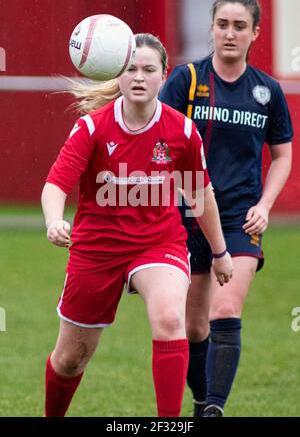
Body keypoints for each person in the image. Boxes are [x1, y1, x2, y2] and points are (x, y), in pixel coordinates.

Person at [41, 33, 233, 417]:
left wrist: (221, 252)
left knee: (168, 318)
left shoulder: (181, 131)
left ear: (164, 75)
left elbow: (200, 195)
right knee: (70, 359)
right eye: (131, 69)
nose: (140, 77)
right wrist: (53, 221)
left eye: (149, 69)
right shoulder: (92, 128)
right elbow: (55, 184)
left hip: (158, 242)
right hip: (96, 248)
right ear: (118, 75)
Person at [159, 0, 293, 417]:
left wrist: (266, 205)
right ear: (212, 28)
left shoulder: (267, 92)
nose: (229, 33)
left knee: (226, 308)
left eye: (239, 26)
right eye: (222, 24)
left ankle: (214, 409)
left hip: (239, 217)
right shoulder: (187, 80)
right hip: (186, 217)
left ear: (255, 32)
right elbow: (158, 142)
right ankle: (202, 402)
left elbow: (283, 155)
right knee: (193, 326)